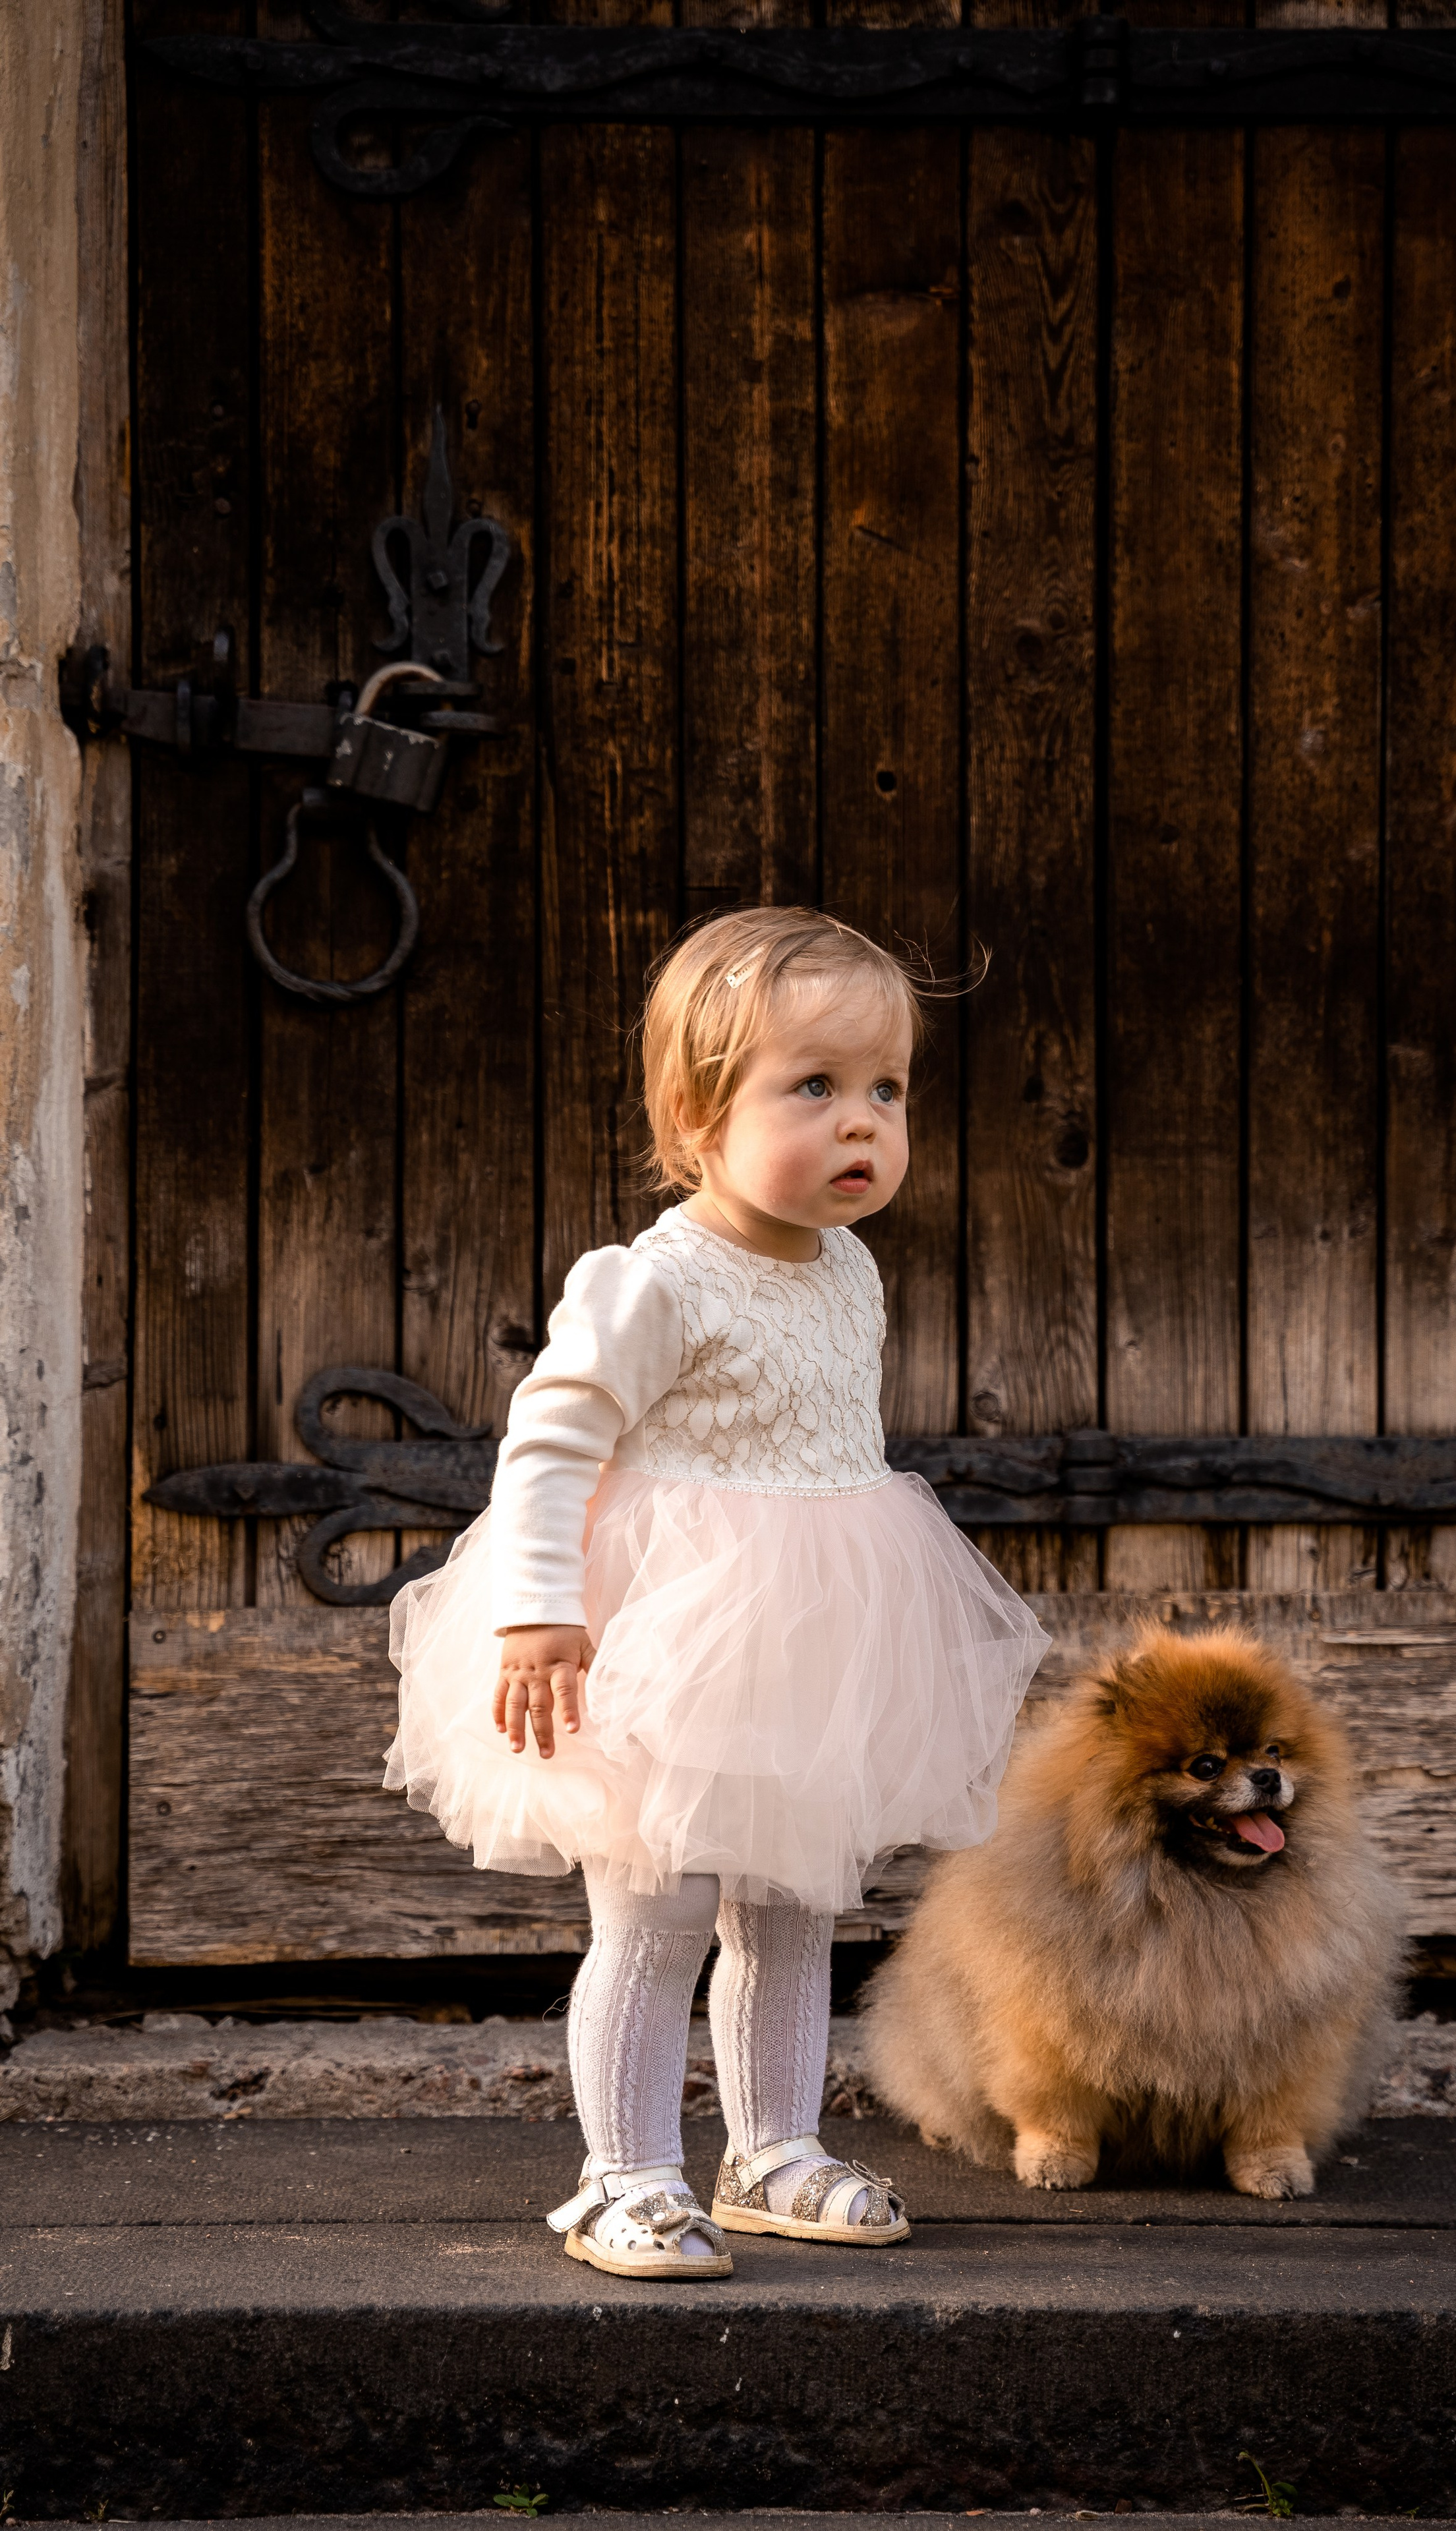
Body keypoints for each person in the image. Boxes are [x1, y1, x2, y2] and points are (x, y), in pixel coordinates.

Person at [384, 906, 1048, 2279]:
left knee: (795, 1902)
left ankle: (772, 2152)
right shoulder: (654, 1281)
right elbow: (550, 1443)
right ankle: (621, 2173)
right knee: (660, 1902)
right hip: (664, 1637)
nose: (862, 1124)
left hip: (817, 1636)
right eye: (813, 1088)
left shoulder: (848, 1265)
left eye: (885, 1091)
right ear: (695, 1114)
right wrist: (534, 1607)